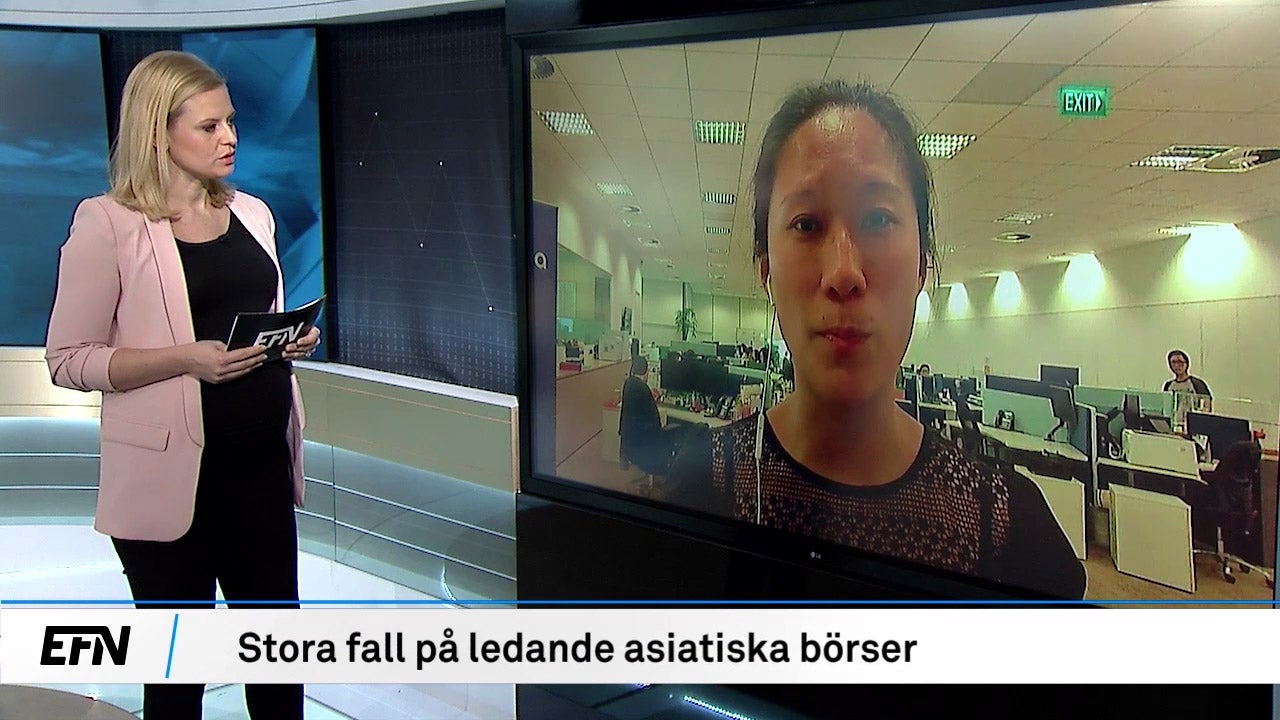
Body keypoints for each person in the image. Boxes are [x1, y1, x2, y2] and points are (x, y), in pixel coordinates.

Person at [664, 79, 1085, 600]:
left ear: (923, 266)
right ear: (765, 270)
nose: (844, 272)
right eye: (807, 224)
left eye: (878, 218)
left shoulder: (1006, 527)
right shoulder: (699, 489)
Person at [44, 51, 318, 719]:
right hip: (170, 481)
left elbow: (253, 318)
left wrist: (289, 340)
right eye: (209, 126)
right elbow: (69, 359)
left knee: (277, 664)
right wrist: (184, 360)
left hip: (259, 468)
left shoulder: (253, 213)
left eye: (231, 122)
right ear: (158, 132)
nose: (229, 138)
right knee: (177, 676)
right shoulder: (107, 224)